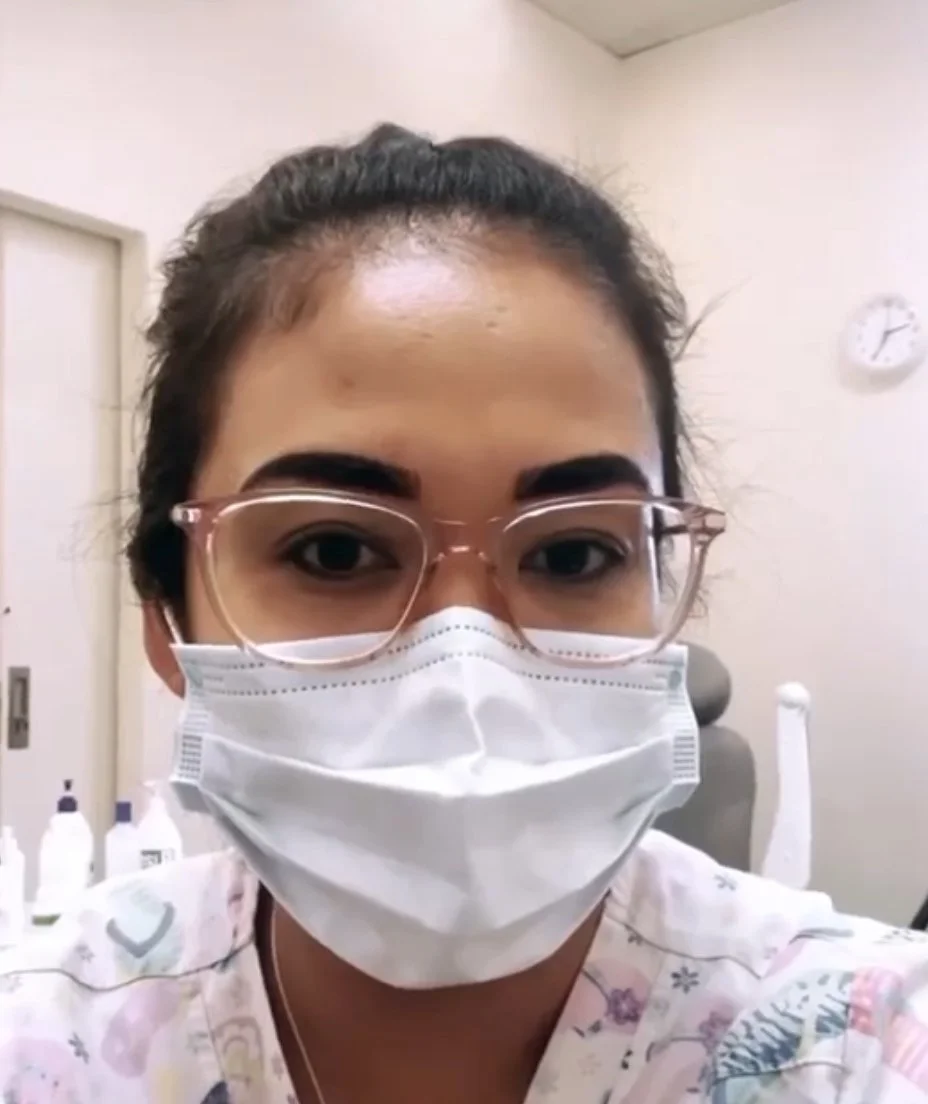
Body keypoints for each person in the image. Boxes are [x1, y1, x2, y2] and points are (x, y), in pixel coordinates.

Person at [0, 124, 925, 1104]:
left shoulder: (856, 1047)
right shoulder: (50, 1051)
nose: (463, 674)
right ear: (167, 625)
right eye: (334, 549)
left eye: (573, 552)